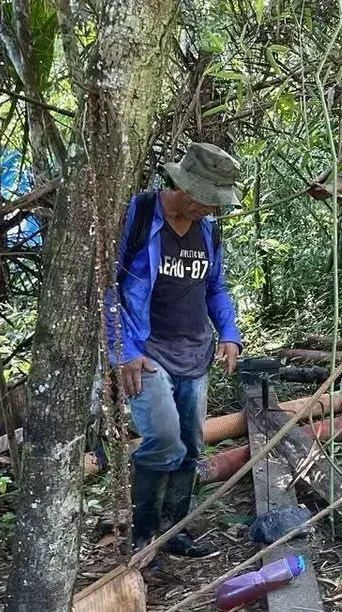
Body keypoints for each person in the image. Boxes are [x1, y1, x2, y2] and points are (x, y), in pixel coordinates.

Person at [107, 143, 243, 557]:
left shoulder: (207, 230)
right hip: (146, 352)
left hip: (194, 355)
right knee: (164, 439)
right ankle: (143, 535)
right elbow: (105, 285)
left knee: (191, 443)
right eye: (207, 200)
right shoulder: (138, 215)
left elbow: (215, 287)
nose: (212, 210)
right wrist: (123, 349)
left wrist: (229, 333)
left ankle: (175, 532)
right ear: (184, 187)